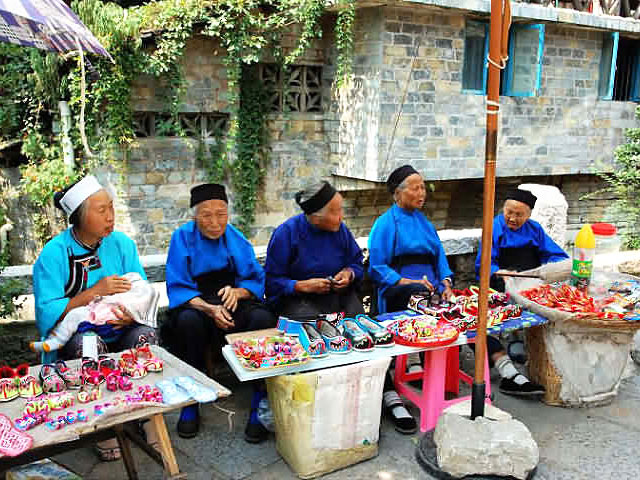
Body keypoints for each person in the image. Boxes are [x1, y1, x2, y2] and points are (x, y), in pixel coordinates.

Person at [33, 175, 158, 462]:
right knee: (89, 345)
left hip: (119, 326)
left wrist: (131, 315)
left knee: (145, 338)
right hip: (78, 332)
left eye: (111, 208)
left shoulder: (122, 244)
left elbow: (139, 288)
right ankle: (104, 425)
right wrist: (94, 293)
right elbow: (47, 312)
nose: (110, 217)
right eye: (101, 210)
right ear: (79, 216)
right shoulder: (54, 254)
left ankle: (147, 415)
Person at [163, 183, 276, 442]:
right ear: (195, 217)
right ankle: (191, 401)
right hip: (198, 303)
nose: (215, 222)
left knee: (262, 319)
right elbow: (178, 285)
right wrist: (209, 308)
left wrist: (239, 293)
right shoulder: (182, 237)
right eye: (206, 215)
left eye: (221, 214)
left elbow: (255, 280)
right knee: (187, 323)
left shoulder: (234, 237)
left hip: (232, 299)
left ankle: (259, 399)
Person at [368, 165, 453, 434]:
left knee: (454, 303)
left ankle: (431, 367)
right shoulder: (385, 223)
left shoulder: (425, 223)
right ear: (397, 193)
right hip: (398, 289)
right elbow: (377, 267)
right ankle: (413, 358)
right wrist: (407, 282)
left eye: (423, 186)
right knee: (417, 295)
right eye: (415, 187)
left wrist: (447, 282)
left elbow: (439, 257)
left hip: (429, 287)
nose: (422, 192)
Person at [474, 187, 568, 396]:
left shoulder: (535, 230)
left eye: (519, 214)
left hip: (530, 282)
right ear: (503, 209)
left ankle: (528, 346)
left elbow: (556, 256)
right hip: (500, 281)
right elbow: (483, 263)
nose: (513, 218)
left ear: (529, 215)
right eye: (509, 212)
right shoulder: (493, 227)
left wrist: (550, 270)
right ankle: (511, 341)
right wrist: (500, 272)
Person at [265, 181, 364, 317]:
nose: (342, 216)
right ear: (317, 219)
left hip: (336, 295)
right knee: (312, 323)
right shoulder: (286, 233)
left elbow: (357, 261)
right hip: (299, 300)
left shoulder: (340, 230)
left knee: (356, 318)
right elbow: (271, 281)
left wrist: (349, 273)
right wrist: (300, 286)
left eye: (341, 209)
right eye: (336, 212)